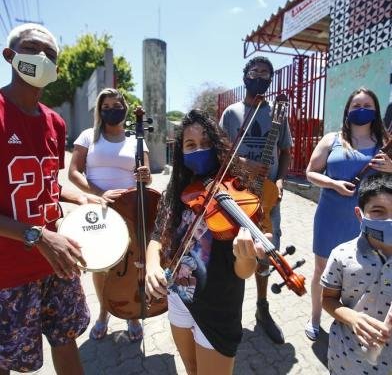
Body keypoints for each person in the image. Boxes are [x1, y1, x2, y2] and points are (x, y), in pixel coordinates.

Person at [0, 24, 101, 374]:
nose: (42, 59)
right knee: (5, 359)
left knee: (66, 338)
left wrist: (81, 198)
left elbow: (47, 184)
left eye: (51, 56)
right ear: (10, 56)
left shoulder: (55, 124)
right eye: (33, 49)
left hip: (57, 260)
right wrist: (39, 236)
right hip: (8, 274)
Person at [145, 109, 265, 375]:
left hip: (218, 308)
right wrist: (152, 266)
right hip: (178, 298)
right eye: (191, 145)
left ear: (219, 146)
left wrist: (247, 257)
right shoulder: (175, 192)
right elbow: (157, 236)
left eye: (206, 144)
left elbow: (244, 272)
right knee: (191, 369)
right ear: (181, 152)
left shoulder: (240, 192)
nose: (199, 149)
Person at [305, 87, 392, 341]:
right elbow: (311, 172)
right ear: (347, 110)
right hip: (330, 214)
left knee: (361, 269)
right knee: (322, 269)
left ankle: (357, 320)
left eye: (366, 105)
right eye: (356, 106)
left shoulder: (384, 143)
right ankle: (315, 318)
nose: (361, 110)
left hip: (369, 219)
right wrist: (333, 184)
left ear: (375, 110)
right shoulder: (332, 139)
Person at [219, 56, 292, 344]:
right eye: (255, 71)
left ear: (270, 80)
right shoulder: (231, 113)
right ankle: (230, 311)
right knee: (233, 252)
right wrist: (244, 163)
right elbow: (220, 154)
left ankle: (262, 308)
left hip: (268, 199)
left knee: (265, 252)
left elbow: (285, 151)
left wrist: (283, 179)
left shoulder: (277, 113)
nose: (259, 75)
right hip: (237, 195)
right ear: (245, 75)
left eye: (265, 73)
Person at [68, 87, 151, 341]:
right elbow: (73, 172)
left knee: (131, 262)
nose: (112, 111)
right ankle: (104, 313)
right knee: (101, 266)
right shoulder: (87, 137)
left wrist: (145, 176)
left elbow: (146, 177)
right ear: (99, 111)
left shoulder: (135, 139)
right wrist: (98, 194)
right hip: (98, 209)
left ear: (125, 108)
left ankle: (131, 314)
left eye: (117, 106)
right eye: (106, 107)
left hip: (129, 208)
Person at [321, 172, 392, 374]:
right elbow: (328, 299)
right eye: (378, 211)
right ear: (359, 214)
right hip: (347, 360)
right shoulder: (342, 255)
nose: (390, 220)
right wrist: (352, 318)